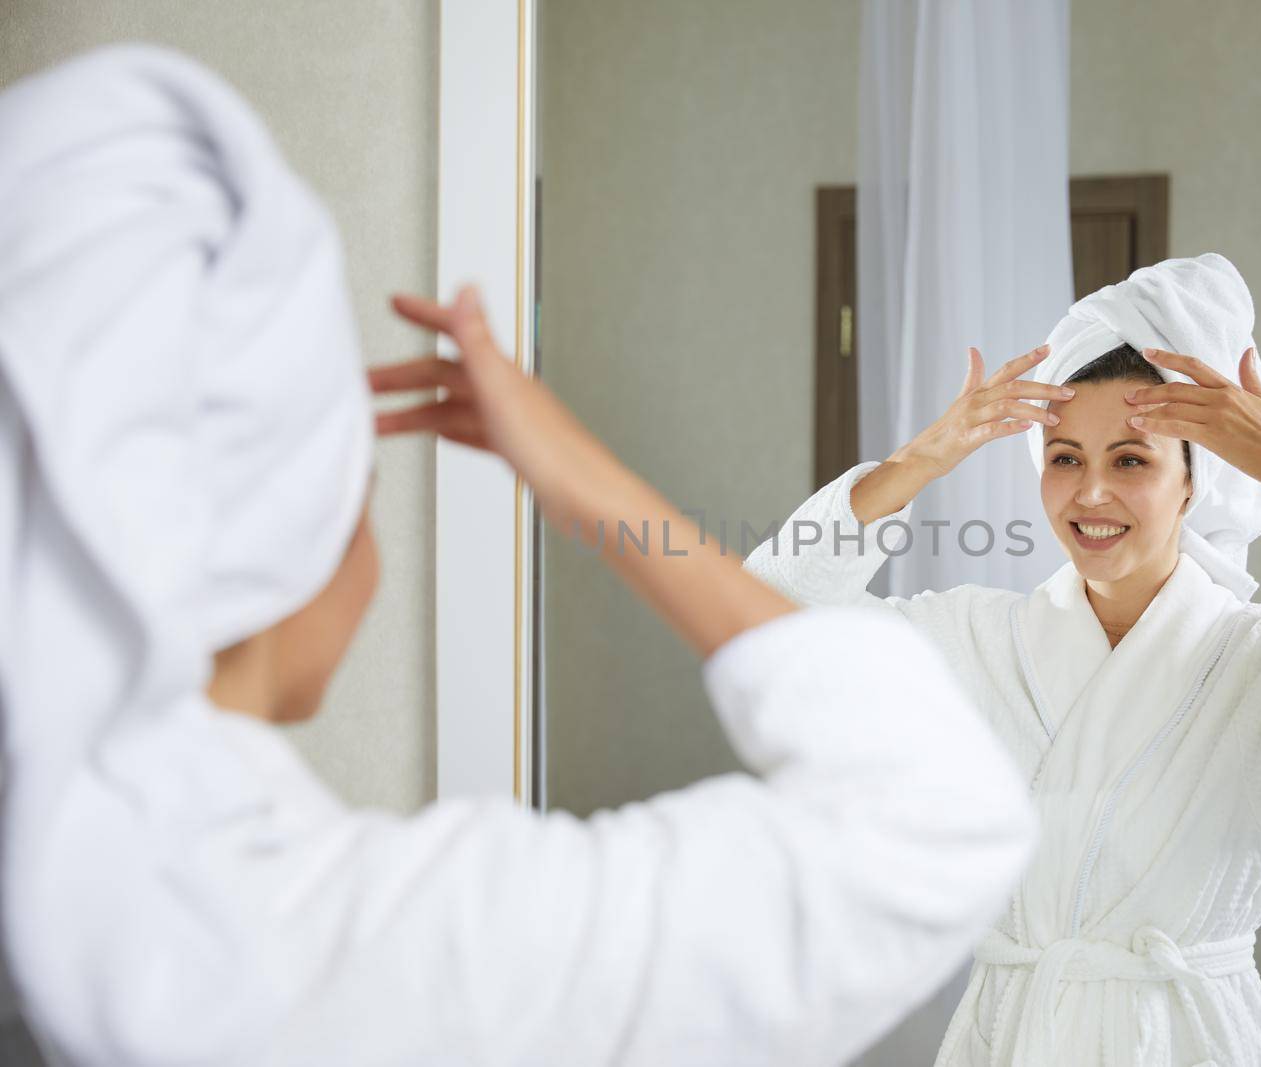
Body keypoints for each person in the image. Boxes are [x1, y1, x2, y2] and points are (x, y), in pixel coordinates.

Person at [0, 45, 1037, 1066]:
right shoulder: (366, 951)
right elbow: (940, 819)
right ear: (282, 541)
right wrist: (583, 474)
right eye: (357, 486)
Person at [746, 254, 1261, 1065]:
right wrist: (921, 459)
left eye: (1130, 459)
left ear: (1194, 481)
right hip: (1014, 1035)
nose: (1090, 494)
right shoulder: (980, 643)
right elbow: (765, 612)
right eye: (1063, 457)